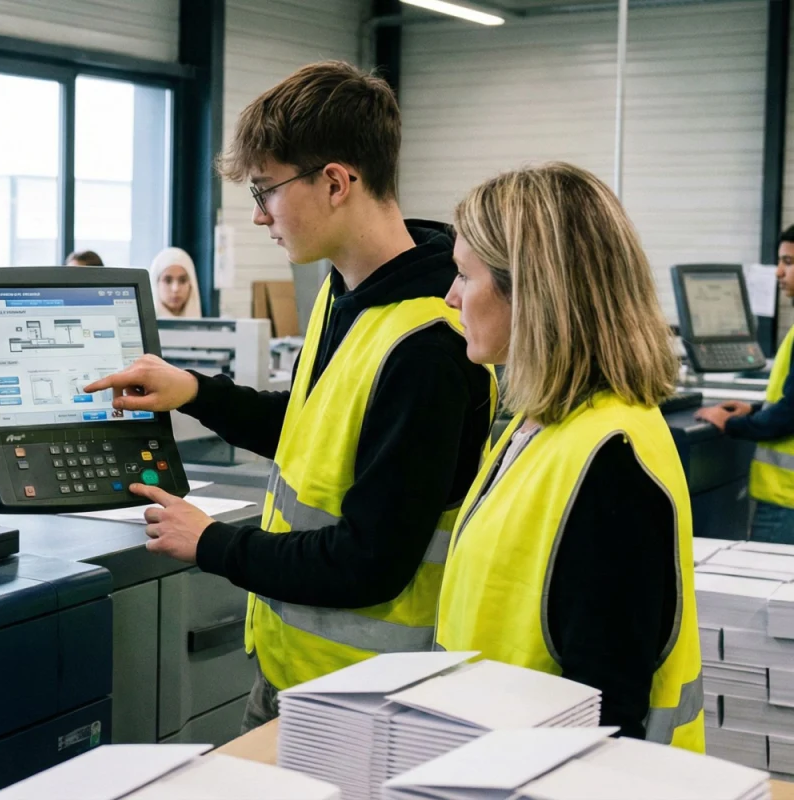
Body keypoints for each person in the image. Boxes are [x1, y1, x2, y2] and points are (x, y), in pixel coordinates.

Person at [82, 61, 496, 733]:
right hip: (297, 674)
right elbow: (312, 429)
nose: (256, 213)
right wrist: (194, 391)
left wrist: (212, 542)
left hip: (370, 701)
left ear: (335, 182)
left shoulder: (429, 345)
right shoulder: (348, 291)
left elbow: (370, 562)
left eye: (265, 189)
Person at [436, 163, 702, 749]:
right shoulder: (541, 426)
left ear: (530, 290)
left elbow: (608, 718)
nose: (451, 296)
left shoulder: (610, 462)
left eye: (464, 275)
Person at [698, 224, 794, 543]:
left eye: (789, 263)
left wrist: (732, 424)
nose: (779, 272)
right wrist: (753, 409)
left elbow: (790, 414)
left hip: (787, 501)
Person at [150, 247, 201, 318]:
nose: (175, 289)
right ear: (155, 284)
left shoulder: (205, 328)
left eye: (182, 280)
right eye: (168, 281)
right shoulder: (142, 327)